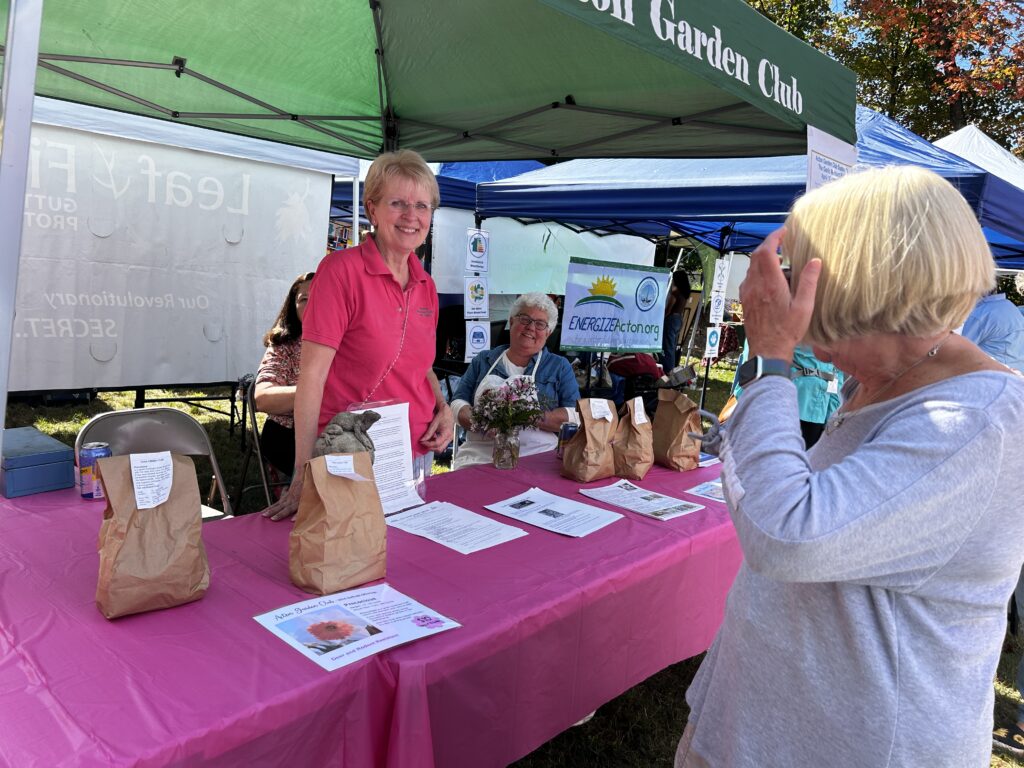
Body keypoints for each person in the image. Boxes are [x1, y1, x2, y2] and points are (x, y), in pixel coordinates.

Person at [675, 166, 1024, 767]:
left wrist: (769, 363)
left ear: (867, 290)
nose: (803, 325)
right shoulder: (886, 383)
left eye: (808, 288)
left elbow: (787, 533)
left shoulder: (977, 422)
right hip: (771, 727)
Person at [261, 150, 454, 521]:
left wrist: (442, 408)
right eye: (397, 203)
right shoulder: (340, 272)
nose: (412, 216)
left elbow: (420, 367)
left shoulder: (426, 284)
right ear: (372, 210)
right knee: (347, 563)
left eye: (422, 205)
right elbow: (312, 379)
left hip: (413, 452)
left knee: (408, 563)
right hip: (350, 452)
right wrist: (303, 469)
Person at [450, 292, 579, 469]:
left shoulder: (559, 366)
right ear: (511, 322)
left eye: (540, 324)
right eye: (524, 319)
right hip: (479, 455)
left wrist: (531, 417)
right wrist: (481, 421)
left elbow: (574, 415)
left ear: (548, 333)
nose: (531, 327)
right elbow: (457, 402)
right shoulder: (483, 360)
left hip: (538, 458)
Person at [253, 271, 315, 475]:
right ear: (294, 308)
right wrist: (316, 393)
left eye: (320, 295)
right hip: (288, 434)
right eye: (304, 299)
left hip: (334, 432)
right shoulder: (284, 345)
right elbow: (263, 399)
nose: (313, 303)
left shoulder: (351, 342)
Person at [962, 289, 1024, 373]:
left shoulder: (981, 314)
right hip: (1016, 374)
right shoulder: (1009, 306)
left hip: (996, 375)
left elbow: (960, 350)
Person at [660, 270, 691, 371]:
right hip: (679, 319)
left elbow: (668, 309)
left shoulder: (675, 292)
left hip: (672, 319)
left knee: (667, 347)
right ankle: (671, 369)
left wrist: (661, 318)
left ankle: (668, 370)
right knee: (672, 347)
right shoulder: (685, 293)